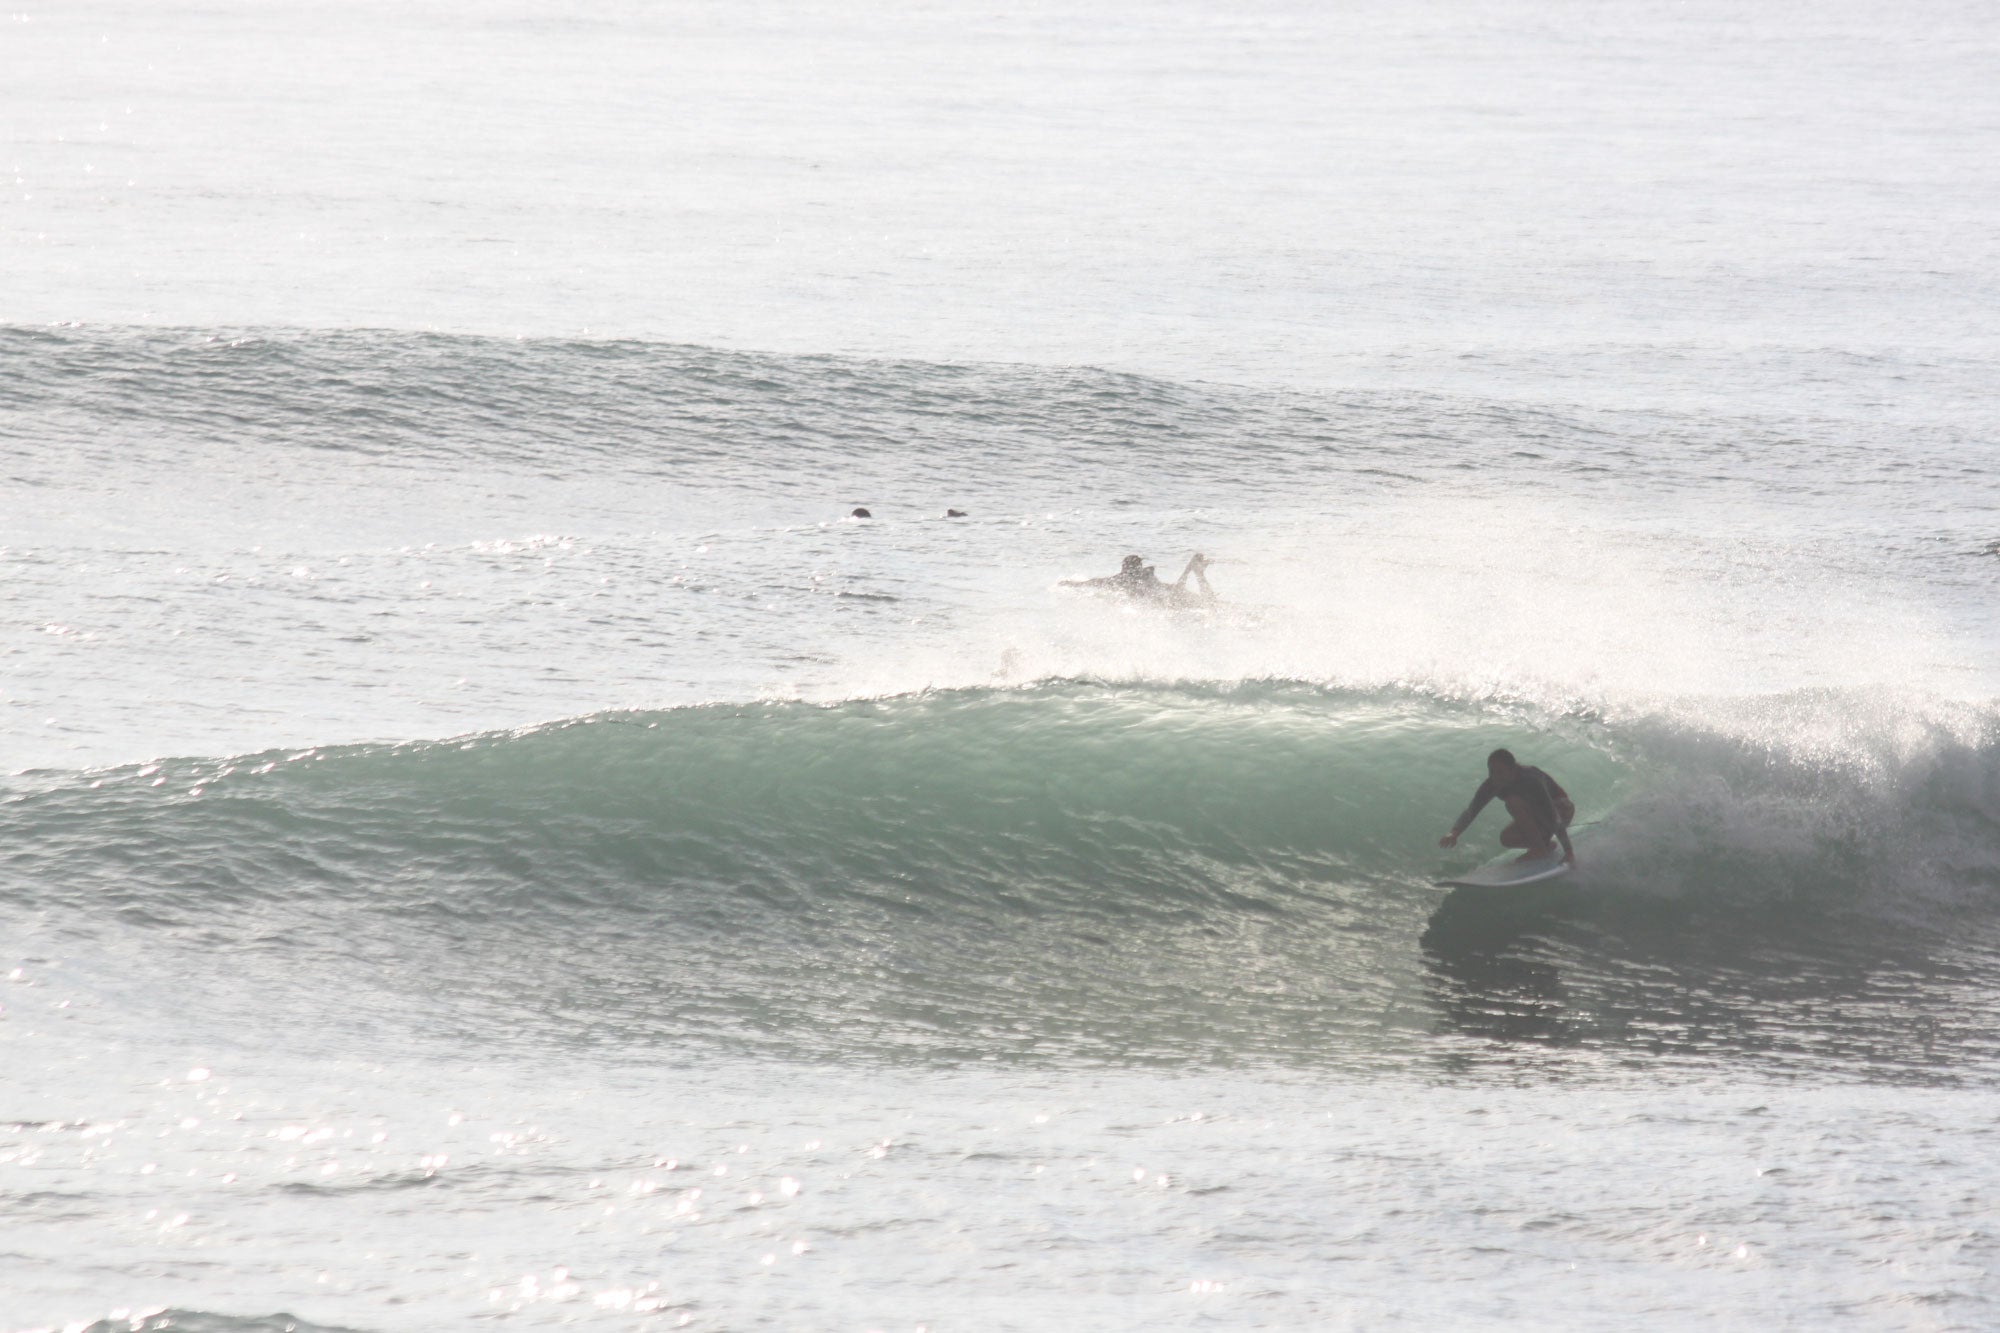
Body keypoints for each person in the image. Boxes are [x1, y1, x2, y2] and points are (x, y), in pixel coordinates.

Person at [1439, 748, 1575, 863]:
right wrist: (1454, 833)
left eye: (1500, 771)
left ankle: (1539, 849)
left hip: (1562, 809)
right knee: (1507, 838)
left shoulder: (1531, 779)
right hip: (1540, 816)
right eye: (1491, 771)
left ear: (1513, 769)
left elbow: (1552, 814)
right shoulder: (1492, 784)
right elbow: (1472, 810)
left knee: (1513, 802)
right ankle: (1545, 846)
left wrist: (1568, 852)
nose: (1495, 776)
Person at [1061, 553, 1216, 607]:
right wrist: (1074, 584)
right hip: (1168, 598)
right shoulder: (1143, 576)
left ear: (1124, 566)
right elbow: (1095, 582)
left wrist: (1071, 584)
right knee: (1206, 602)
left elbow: (1095, 582)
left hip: (1165, 602)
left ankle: (1194, 570)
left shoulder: (1121, 580)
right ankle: (1195, 570)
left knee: (1202, 601)